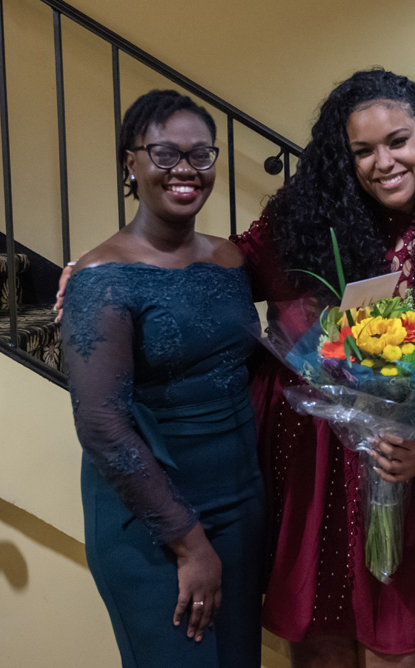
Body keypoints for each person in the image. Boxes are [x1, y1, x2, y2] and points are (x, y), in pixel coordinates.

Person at [231, 69, 415, 667]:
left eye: (397, 141)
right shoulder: (299, 228)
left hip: (408, 468)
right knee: (318, 641)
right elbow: (222, 265)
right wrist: (121, 261)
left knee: (401, 647)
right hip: (310, 468)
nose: (383, 161)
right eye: (363, 150)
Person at [60, 90, 265, 668]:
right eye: (165, 153)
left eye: (201, 155)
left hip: (241, 501)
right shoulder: (102, 276)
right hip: (151, 522)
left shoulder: (229, 259)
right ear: (131, 162)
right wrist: (189, 541)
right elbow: (100, 423)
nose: (185, 170)